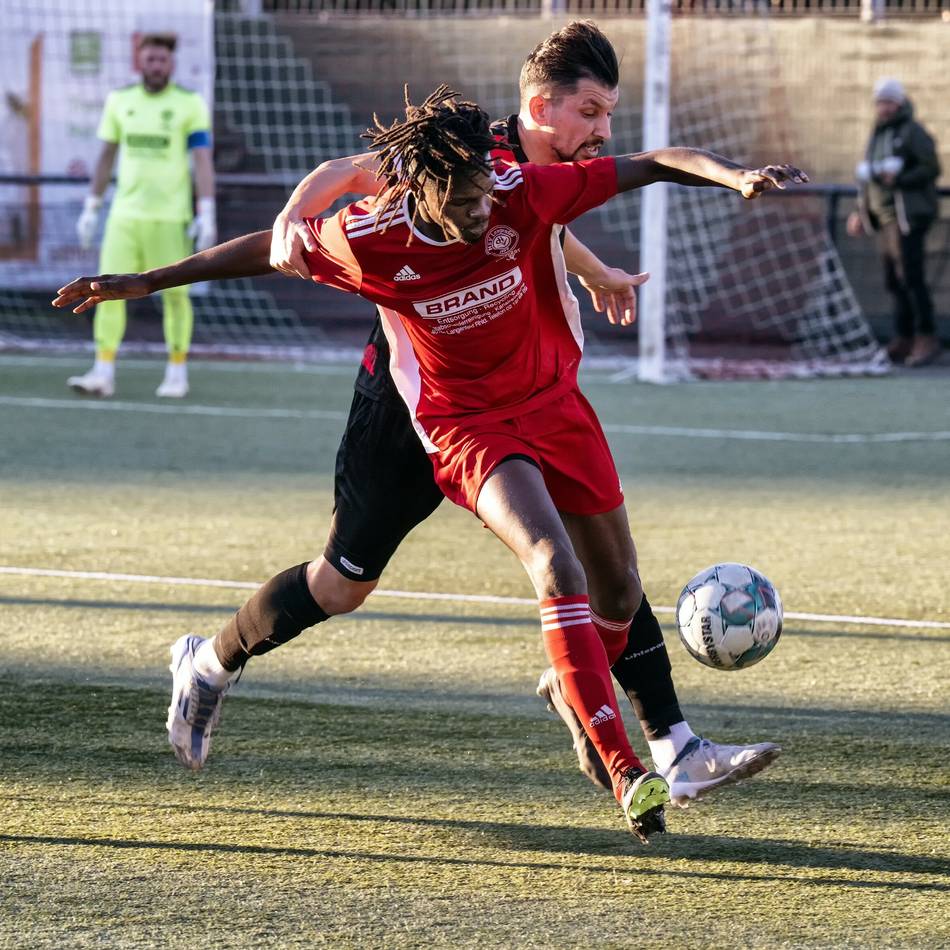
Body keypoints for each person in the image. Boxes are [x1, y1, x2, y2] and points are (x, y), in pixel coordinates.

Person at [54, 85, 806, 842]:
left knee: (616, 584)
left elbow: (649, 163)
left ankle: (640, 728)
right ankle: (211, 662)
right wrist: (148, 280)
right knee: (366, 582)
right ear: (416, 190)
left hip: (550, 408)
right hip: (455, 423)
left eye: (487, 190)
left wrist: (734, 176)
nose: (483, 210)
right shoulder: (369, 237)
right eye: (465, 199)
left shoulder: (514, 189)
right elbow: (270, 248)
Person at [269, 22, 784, 804]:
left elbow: (537, 219)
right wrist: (287, 221)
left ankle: (669, 744)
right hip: (417, 403)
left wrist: (594, 269)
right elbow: (349, 171)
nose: (603, 130)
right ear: (542, 107)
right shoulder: (464, 155)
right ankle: (213, 660)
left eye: (608, 113)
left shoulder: (537, 178)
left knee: (603, 566)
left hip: (521, 392)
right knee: (343, 582)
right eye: (590, 111)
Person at [68, 33, 217, 400]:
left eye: (162, 60)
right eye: (150, 59)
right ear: (140, 63)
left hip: (170, 218)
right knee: (104, 291)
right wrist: (92, 206)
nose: (156, 66)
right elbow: (106, 155)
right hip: (124, 217)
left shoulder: (189, 104)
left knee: (175, 296)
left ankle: (177, 373)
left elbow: (201, 160)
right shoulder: (120, 101)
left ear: (171, 64)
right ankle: (102, 371)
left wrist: (207, 210)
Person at [846, 77, 942, 368]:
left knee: (911, 278)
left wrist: (900, 179)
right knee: (894, 280)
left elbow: (931, 168)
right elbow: (869, 179)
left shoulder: (912, 131)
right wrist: (860, 211)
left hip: (907, 218)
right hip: (884, 219)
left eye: (888, 102)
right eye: (880, 102)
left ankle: (926, 337)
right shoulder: (878, 133)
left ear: (899, 103)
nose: (883, 107)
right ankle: (904, 336)